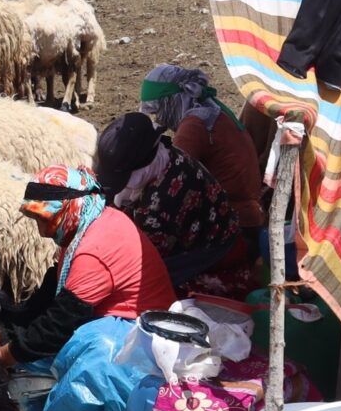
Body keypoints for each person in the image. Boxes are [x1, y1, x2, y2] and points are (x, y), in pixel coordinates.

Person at [0, 165, 174, 370]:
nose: (42, 232)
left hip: (138, 341)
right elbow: (51, 294)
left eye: (45, 220)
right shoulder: (93, 222)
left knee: (73, 371)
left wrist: (3, 356)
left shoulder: (93, 250)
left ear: (71, 207)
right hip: (121, 321)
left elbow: (61, 322)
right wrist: (6, 330)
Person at [92, 112, 243, 292]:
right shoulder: (167, 156)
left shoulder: (159, 206)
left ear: (142, 168)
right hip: (206, 225)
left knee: (153, 284)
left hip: (213, 247)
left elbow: (142, 260)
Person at [138, 66, 265, 231]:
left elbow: (173, 179)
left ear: (172, 100)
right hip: (250, 214)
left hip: (233, 222)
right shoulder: (212, 111)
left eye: (159, 110)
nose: (160, 119)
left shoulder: (194, 125)